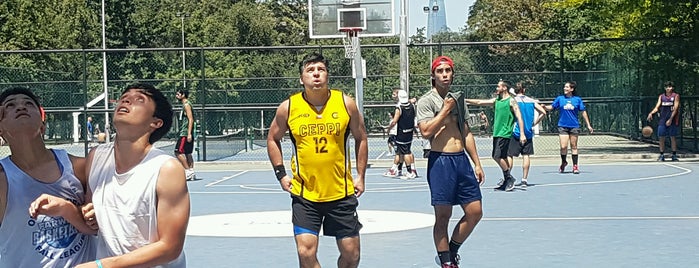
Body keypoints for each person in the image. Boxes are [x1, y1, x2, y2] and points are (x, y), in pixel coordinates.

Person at [266, 52, 368, 268]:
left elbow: (361, 137)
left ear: (327, 75)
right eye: (310, 70)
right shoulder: (289, 107)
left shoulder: (345, 103)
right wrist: (281, 174)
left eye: (321, 69)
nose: (316, 74)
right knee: (305, 253)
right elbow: (272, 139)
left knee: (352, 256)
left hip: (340, 192)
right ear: (301, 78)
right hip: (306, 195)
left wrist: (361, 176)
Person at [77, 83, 190, 267]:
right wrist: (78, 211)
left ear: (155, 123)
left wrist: (102, 265)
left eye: (139, 99)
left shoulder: (166, 169)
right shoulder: (96, 157)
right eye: (124, 97)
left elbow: (170, 247)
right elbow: (92, 218)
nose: (127, 100)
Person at [0, 87, 96, 267]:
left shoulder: (78, 167)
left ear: (43, 125)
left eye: (28, 104)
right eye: (10, 106)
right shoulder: (3, 179)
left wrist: (94, 212)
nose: (21, 107)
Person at [416, 56, 484, 268]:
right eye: (440, 71)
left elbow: (465, 131)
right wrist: (445, 110)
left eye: (448, 71)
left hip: (461, 160)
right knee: (443, 215)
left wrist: (477, 163)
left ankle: (451, 251)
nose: (444, 75)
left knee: (475, 211)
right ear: (433, 76)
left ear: (453, 74)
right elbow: (426, 132)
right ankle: (446, 261)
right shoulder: (426, 101)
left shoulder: (458, 98)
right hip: (441, 162)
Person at [466, 80, 526, 192]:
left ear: (504, 88)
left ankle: (509, 177)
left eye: (498, 86)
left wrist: (522, 133)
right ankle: (506, 180)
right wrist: (465, 100)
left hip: (505, 133)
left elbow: (519, 117)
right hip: (497, 133)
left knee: (496, 156)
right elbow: (479, 102)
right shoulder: (497, 100)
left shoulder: (511, 101)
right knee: (501, 156)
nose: (496, 88)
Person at [544, 81, 594, 174]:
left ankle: (575, 166)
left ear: (572, 89)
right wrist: (544, 107)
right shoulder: (560, 99)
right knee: (563, 146)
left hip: (574, 126)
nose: (565, 88)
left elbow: (583, 112)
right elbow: (551, 107)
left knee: (574, 146)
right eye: (564, 87)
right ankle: (564, 162)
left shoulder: (577, 100)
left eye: (567, 87)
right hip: (563, 125)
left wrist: (588, 125)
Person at [507, 83, 547, 187]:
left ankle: (507, 177)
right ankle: (524, 179)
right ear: (524, 90)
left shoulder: (512, 101)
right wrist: (535, 123)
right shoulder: (531, 101)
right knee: (526, 155)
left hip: (516, 132)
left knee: (510, 155)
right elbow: (543, 112)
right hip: (528, 132)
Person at [383, 90, 418, 179]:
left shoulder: (399, 108)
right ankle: (398, 170)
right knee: (402, 151)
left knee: (405, 152)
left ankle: (410, 171)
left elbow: (394, 121)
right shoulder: (412, 106)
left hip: (401, 132)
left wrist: (388, 129)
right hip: (409, 131)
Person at [646, 81, 680, 161]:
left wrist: (671, 119)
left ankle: (674, 155)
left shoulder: (676, 96)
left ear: (673, 88)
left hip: (672, 119)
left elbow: (675, 109)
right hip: (662, 120)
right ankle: (661, 155)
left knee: (673, 137)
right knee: (661, 137)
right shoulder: (661, 97)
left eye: (670, 87)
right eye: (667, 87)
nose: (669, 88)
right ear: (665, 88)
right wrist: (651, 113)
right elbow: (657, 107)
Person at [175, 89, 196, 180]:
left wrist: (188, 134)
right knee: (188, 153)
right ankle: (191, 172)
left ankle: (187, 170)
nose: (176, 95)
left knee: (178, 152)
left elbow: (190, 119)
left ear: (183, 95)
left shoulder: (187, 105)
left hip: (185, 133)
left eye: (178, 94)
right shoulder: (185, 105)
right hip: (185, 132)